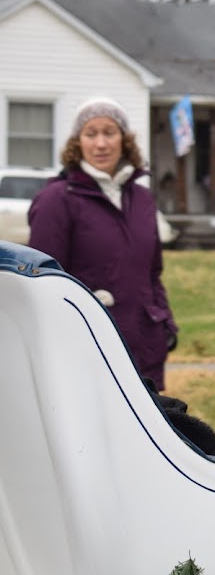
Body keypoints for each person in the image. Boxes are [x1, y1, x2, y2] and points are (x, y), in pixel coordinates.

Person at [28, 97, 179, 389]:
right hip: (86, 348)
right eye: (91, 133)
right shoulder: (56, 200)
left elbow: (152, 273)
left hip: (143, 349)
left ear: (124, 140)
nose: (100, 144)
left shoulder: (142, 199)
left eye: (109, 132)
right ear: (78, 142)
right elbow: (42, 283)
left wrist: (165, 324)